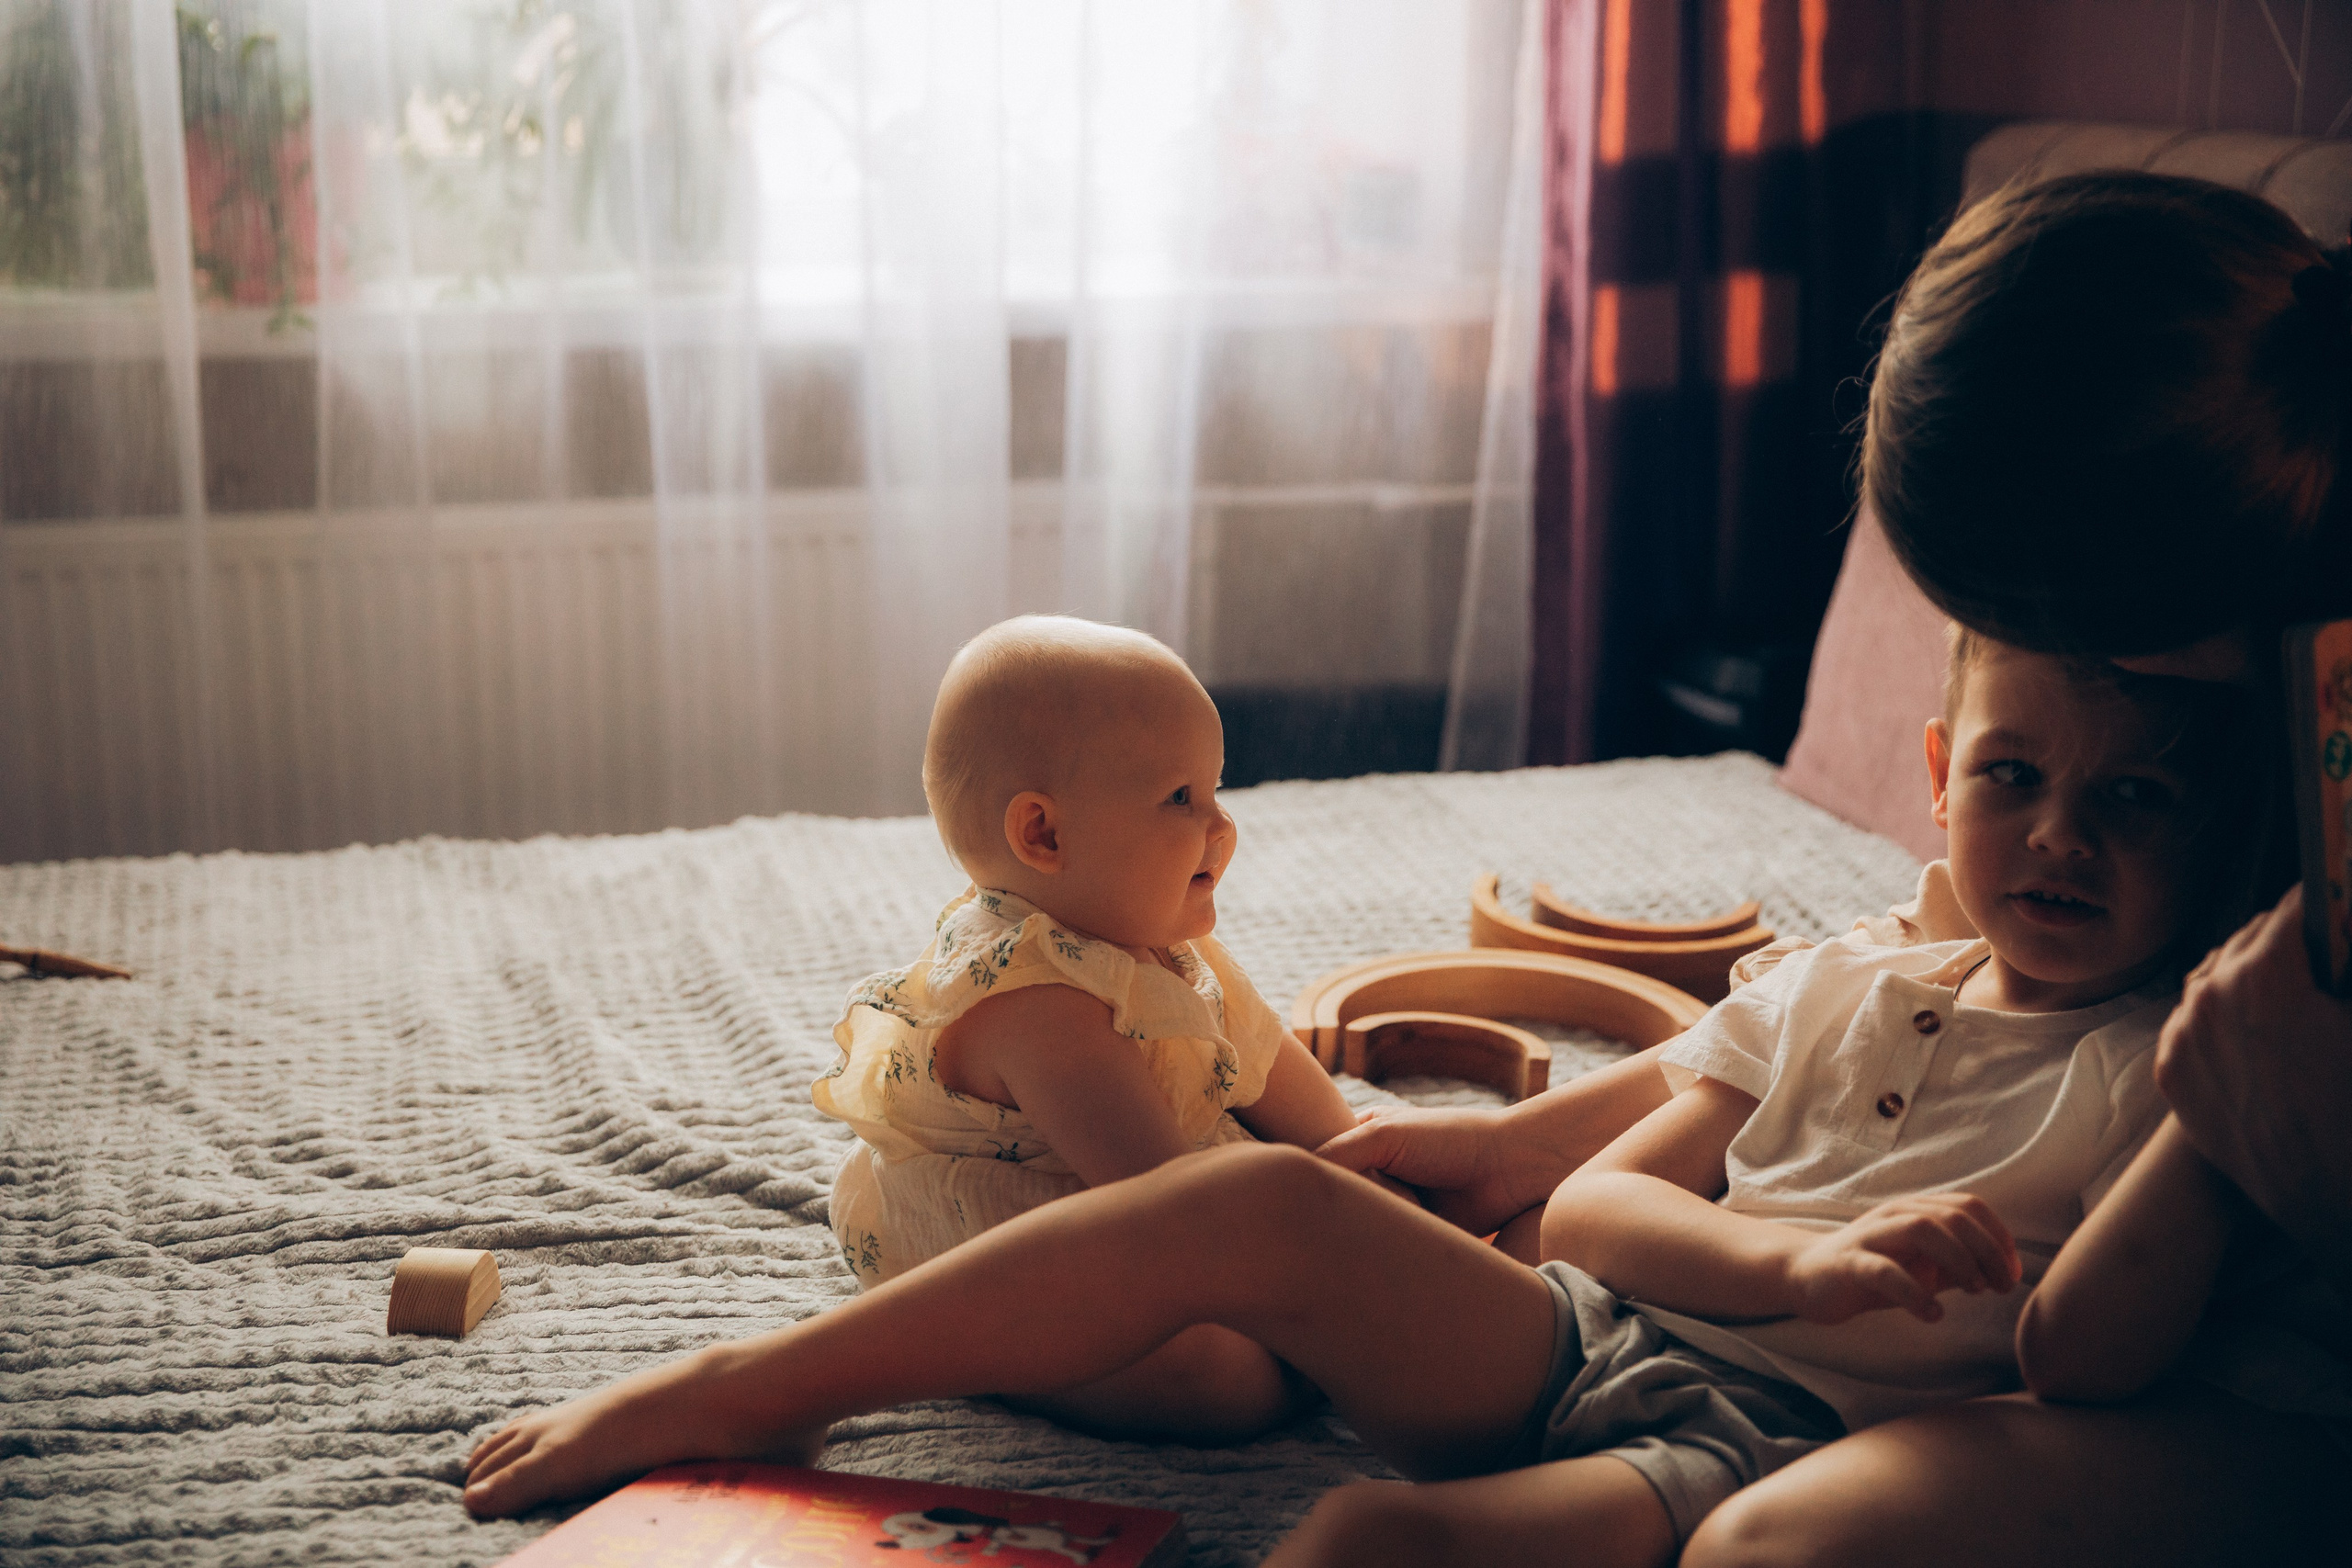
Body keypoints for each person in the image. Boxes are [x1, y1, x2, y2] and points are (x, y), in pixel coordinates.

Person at [459, 627, 2250, 1566]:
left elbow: (2083, 1356)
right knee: (1256, 1204)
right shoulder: (1842, 974)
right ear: (1935, 775)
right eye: (2009, 775)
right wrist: (1779, 1260)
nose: (2060, 837)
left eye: (2139, 801)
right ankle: (749, 1384)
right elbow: (1604, 1206)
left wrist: (1829, 1296)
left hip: (1756, 1440)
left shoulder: (2173, 1074)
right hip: (1582, 1324)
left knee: (1377, 1533)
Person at [1329, 171, 2352, 1565]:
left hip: (2268, 1375)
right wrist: (1524, 1142)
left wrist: (2271, 1137)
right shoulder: (2205, 685)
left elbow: (2106, 1334)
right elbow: (1828, 1009)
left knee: (1774, 1541)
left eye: (2039, 612)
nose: (2057, 823)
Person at [813, 614, 1365, 1441]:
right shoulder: (1031, 1005)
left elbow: (1268, 1060)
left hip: (1147, 1202)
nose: (1221, 828)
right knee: (1215, 1380)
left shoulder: (1161, 938)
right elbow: (1169, 1204)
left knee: (1382, 1187)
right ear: (1045, 834)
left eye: (1217, 792)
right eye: (1181, 798)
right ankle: (983, 1357)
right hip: (1002, 1236)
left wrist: (1357, 1160)